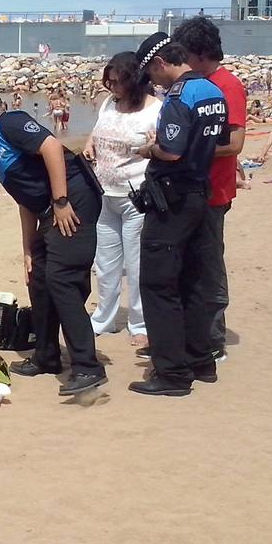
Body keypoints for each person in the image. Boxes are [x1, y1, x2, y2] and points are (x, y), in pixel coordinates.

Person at [0, 101, 107, 402]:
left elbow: (53, 148)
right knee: (39, 278)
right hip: (46, 211)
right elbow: (26, 203)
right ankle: (46, 355)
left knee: (62, 278)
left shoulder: (8, 125)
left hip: (73, 197)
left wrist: (61, 201)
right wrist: (28, 250)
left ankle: (87, 366)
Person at [128, 32, 227, 398]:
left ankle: (171, 373)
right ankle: (201, 359)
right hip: (201, 191)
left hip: (173, 197)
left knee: (158, 284)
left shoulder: (180, 97)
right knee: (194, 280)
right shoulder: (213, 92)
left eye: (152, 75)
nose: (153, 83)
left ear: (160, 63)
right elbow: (215, 142)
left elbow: (170, 151)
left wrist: (145, 149)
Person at [173, 16, 246, 362]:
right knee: (190, 265)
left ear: (199, 53)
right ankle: (195, 333)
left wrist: (188, 150)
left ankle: (213, 339)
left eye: (185, 54)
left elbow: (234, 144)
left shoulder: (226, 85)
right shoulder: (197, 83)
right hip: (192, 190)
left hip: (214, 191)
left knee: (209, 266)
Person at [83, 52, 162, 348]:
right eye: (110, 81)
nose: (113, 87)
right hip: (103, 193)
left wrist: (153, 147)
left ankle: (140, 323)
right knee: (105, 263)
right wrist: (90, 145)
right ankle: (104, 317)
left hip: (136, 196)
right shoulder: (108, 104)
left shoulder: (155, 109)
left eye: (118, 82)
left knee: (137, 263)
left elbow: (163, 146)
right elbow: (96, 133)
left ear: (135, 81)